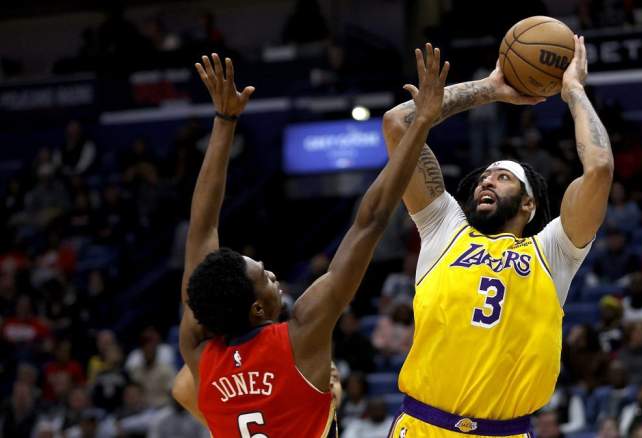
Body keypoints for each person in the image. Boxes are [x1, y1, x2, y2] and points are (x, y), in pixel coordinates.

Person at [170, 46, 449, 437]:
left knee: (184, 388)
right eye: (264, 276)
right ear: (255, 308)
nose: (271, 272)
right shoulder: (301, 336)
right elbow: (369, 222)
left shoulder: (197, 351)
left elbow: (201, 231)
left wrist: (224, 120)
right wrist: (420, 124)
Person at [382, 35, 612, 437]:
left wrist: (573, 90)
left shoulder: (554, 251)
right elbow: (398, 123)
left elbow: (599, 170)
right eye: (484, 176)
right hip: (423, 427)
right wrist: (490, 90)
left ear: (529, 205)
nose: (486, 181)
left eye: (503, 177)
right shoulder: (444, 227)